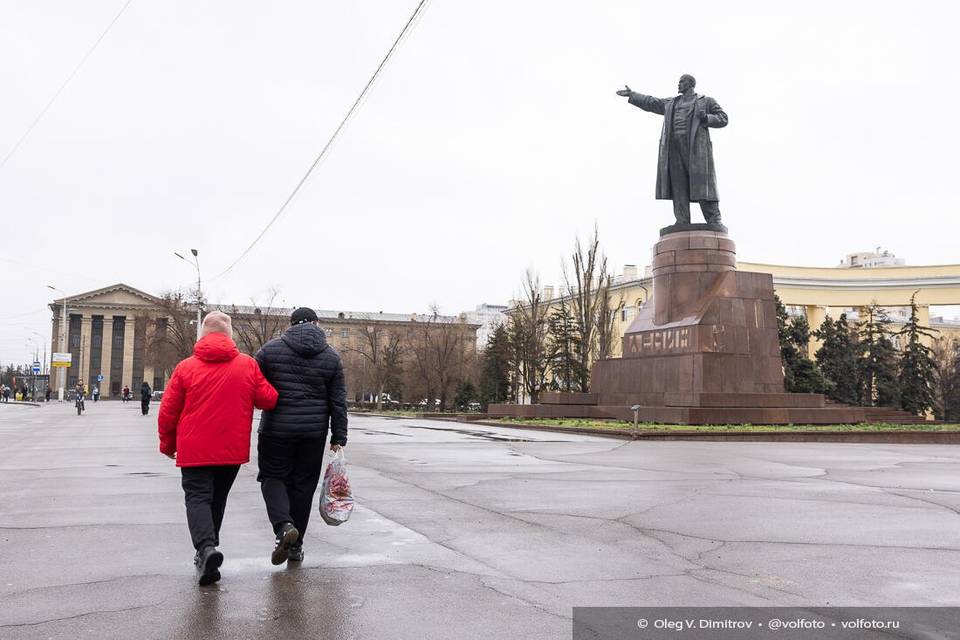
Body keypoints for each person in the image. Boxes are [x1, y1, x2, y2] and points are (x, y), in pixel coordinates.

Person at [158, 312, 278, 586]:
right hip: (231, 451)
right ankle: (209, 550)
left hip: (194, 449)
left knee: (198, 497)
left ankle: (206, 549)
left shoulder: (185, 367)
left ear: (203, 335)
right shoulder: (247, 365)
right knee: (217, 498)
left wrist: (167, 444)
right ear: (229, 335)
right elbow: (269, 399)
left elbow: (168, 411)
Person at [254, 307, 348, 565]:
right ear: (316, 324)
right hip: (312, 433)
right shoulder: (331, 357)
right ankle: (295, 546)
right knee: (303, 486)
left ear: (291, 324)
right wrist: (339, 435)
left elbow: (253, 384)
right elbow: (338, 401)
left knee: (272, 477)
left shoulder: (269, 351)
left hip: (276, 430)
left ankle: (283, 526)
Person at [617, 74, 728, 228]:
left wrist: (706, 118)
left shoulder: (706, 101)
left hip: (696, 149)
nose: (678, 84)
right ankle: (682, 220)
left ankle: (714, 219)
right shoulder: (671, 103)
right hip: (674, 148)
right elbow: (652, 102)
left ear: (690, 84)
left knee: (702, 185)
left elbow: (723, 118)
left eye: (682, 82)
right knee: (678, 185)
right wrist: (633, 95)